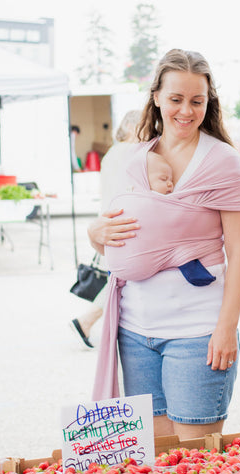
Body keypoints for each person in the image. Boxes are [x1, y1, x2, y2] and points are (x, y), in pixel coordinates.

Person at [87, 49, 240, 440]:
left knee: (196, 461)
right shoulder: (135, 159)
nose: (186, 111)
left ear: (208, 101)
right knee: (157, 461)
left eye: (197, 101)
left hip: (197, 331)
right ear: (156, 97)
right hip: (134, 330)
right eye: (176, 99)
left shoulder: (224, 163)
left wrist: (226, 329)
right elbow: (119, 233)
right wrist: (94, 235)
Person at [69, 110, 142, 349]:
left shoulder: (111, 153)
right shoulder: (132, 152)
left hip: (108, 221)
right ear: (132, 127)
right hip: (124, 223)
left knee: (118, 281)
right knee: (120, 283)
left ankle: (88, 322)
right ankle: (86, 321)